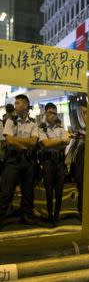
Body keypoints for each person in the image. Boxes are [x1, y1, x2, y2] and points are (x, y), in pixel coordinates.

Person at [0, 94, 39, 225]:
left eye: (18, 103)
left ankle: (26, 215)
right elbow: (9, 140)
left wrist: (19, 142)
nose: (15, 105)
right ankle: (1, 216)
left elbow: (34, 141)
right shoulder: (11, 120)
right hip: (13, 160)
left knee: (28, 191)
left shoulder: (33, 123)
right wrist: (24, 144)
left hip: (27, 161)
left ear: (25, 105)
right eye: (15, 103)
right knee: (7, 191)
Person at [38, 103, 70, 225]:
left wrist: (56, 142)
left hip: (59, 162)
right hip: (48, 162)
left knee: (60, 191)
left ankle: (56, 216)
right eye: (50, 113)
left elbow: (65, 143)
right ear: (45, 113)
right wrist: (60, 141)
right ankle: (50, 216)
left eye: (54, 113)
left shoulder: (61, 129)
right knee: (49, 191)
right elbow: (45, 144)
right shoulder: (40, 128)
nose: (53, 115)